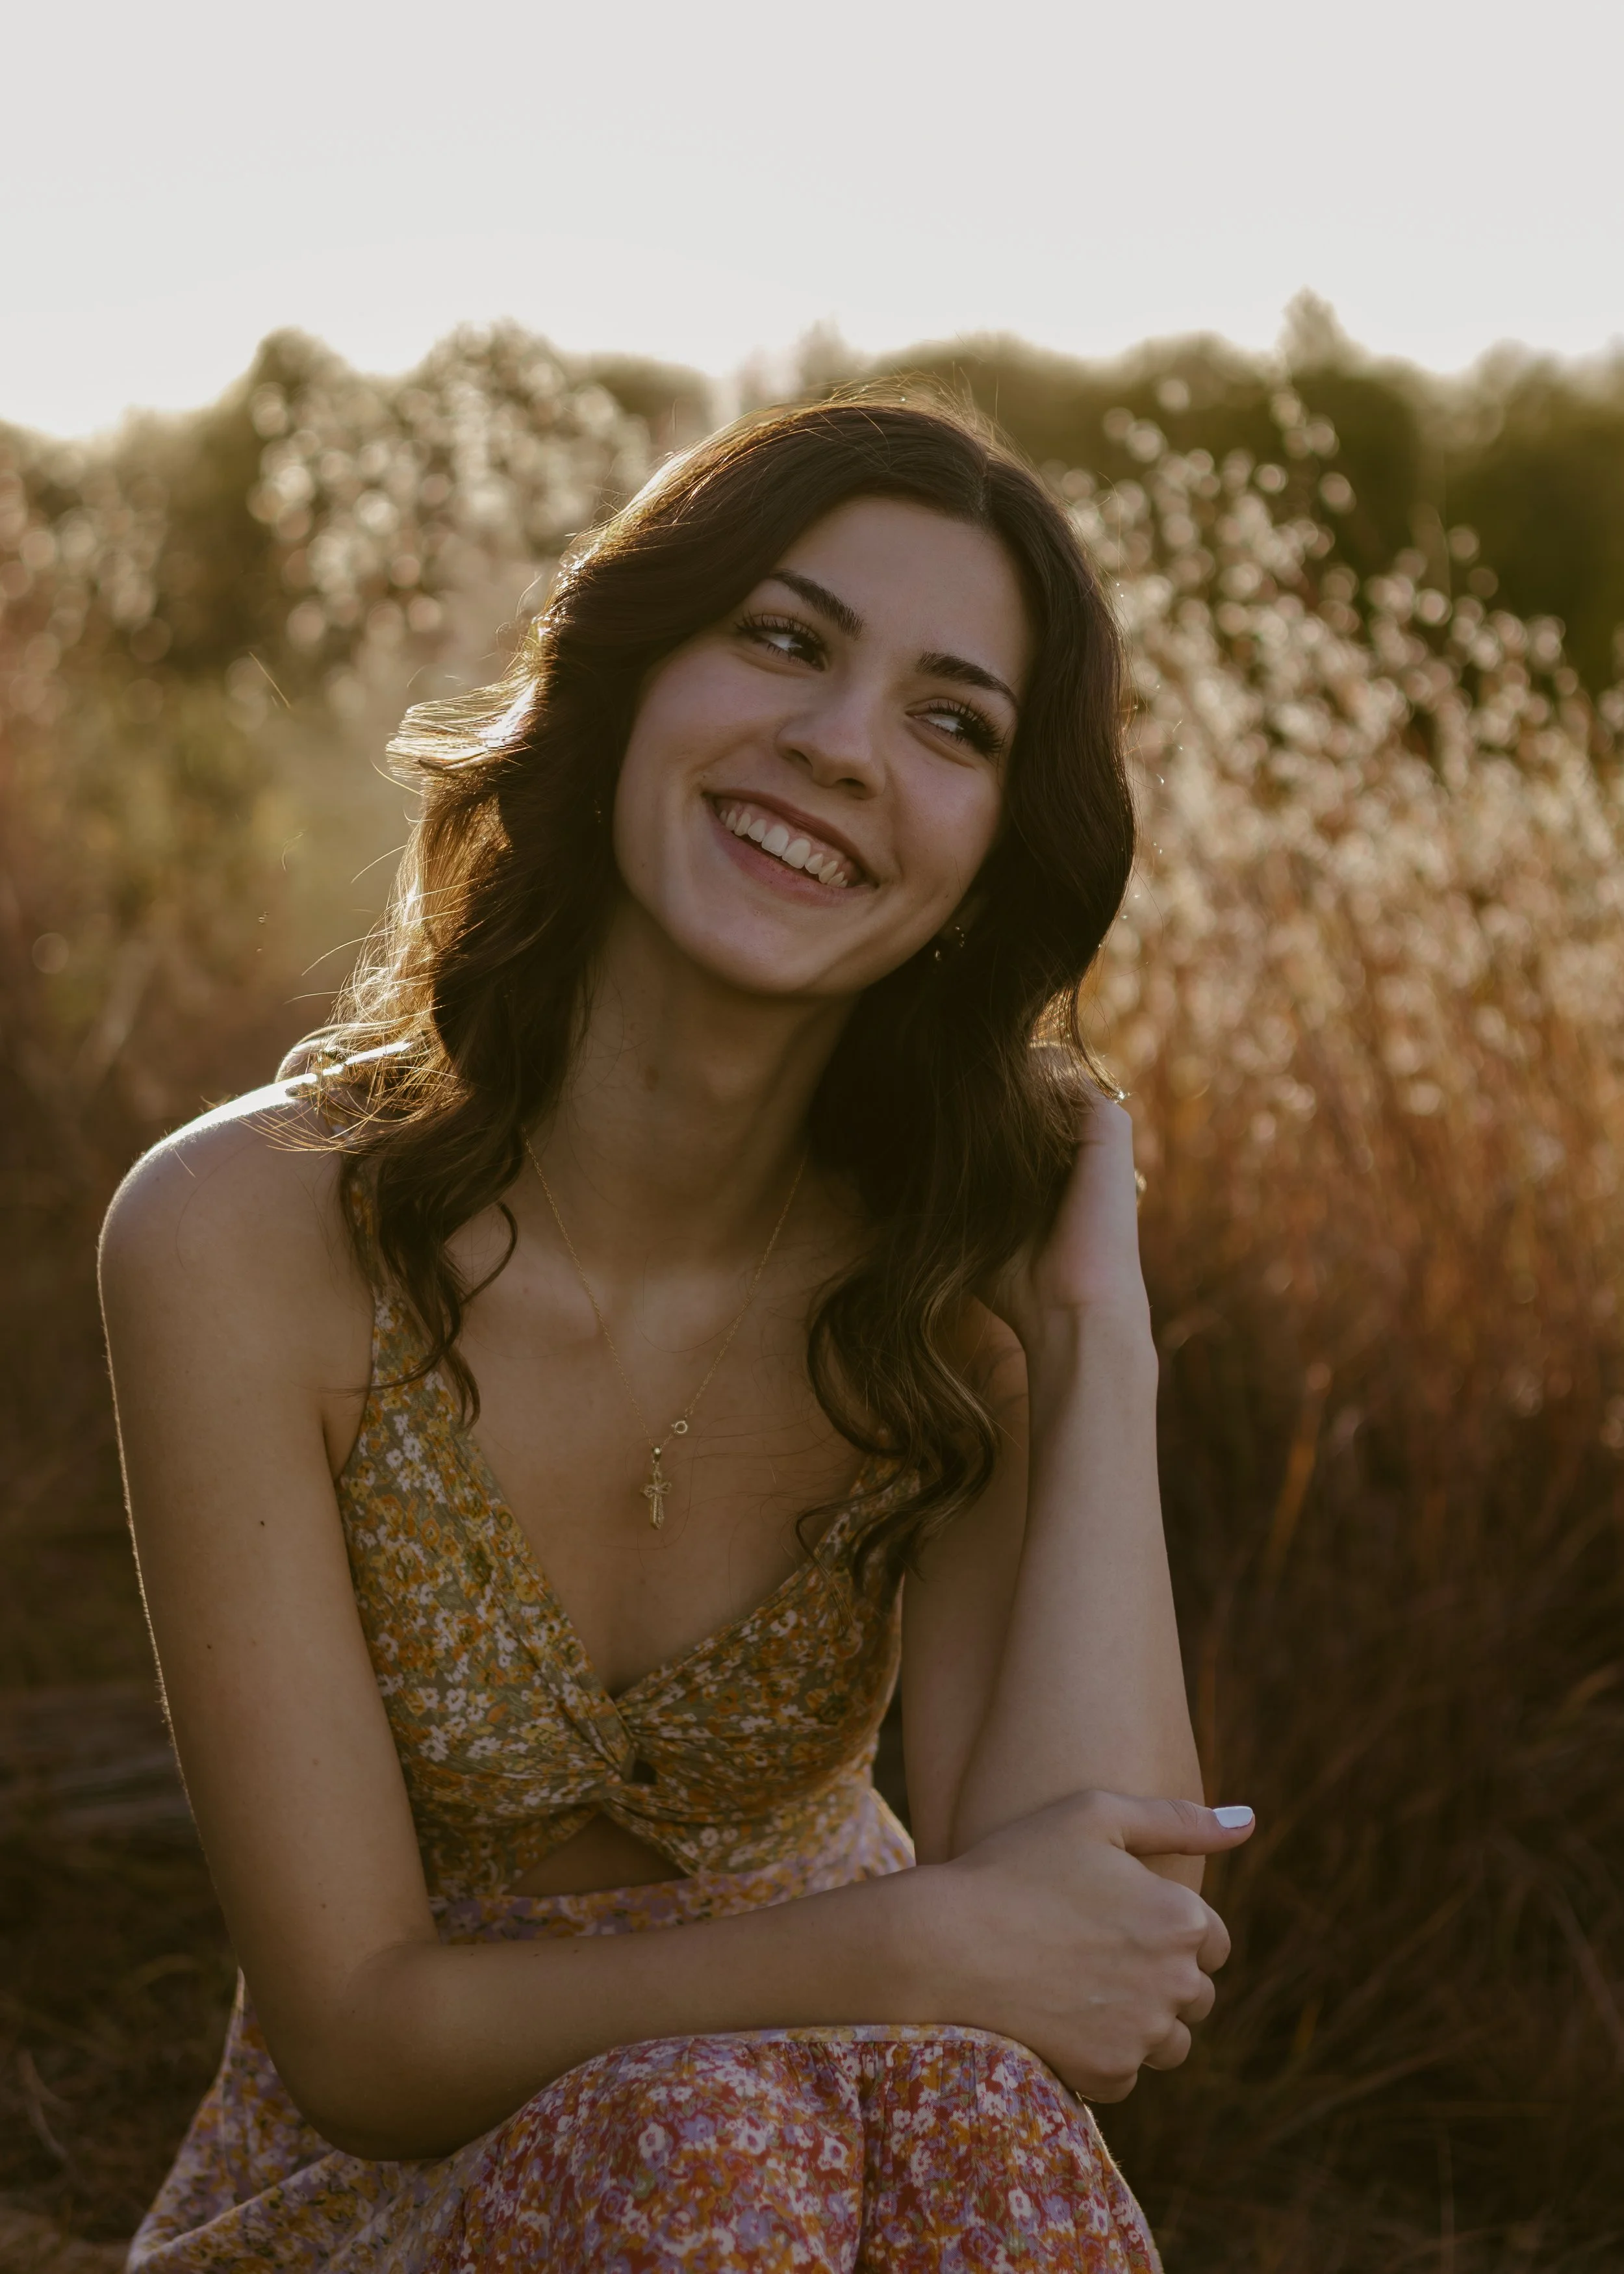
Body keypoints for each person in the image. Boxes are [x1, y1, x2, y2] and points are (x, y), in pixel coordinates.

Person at [101, 398, 1254, 2273]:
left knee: (974, 2116)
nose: (836, 746)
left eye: (948, 720)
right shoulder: (243, 1238)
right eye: (784, 641)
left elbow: (1091, 1972)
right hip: (408, 2185)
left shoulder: (944, 1303)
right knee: (706, 2132)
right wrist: (900, 1942)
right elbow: (358, 2037)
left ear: (990, 855)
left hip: (860, 2139)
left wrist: (1093, 1330)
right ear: (624, 676)